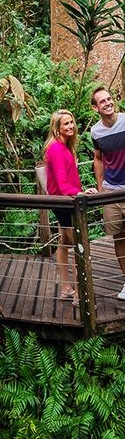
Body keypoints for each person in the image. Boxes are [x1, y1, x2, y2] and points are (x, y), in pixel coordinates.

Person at [44, 109, 94, 302]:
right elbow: (62, 182)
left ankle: (66, 289)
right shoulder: (56, 148)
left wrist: (80, 191)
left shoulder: (65, 146)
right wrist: (78, 193)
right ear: (57, 128)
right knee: (79, 246)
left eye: (72, 122)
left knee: (64, 245)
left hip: (66, 201)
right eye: (66, 123)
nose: (71, 126)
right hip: (64, 202)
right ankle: (81, 297)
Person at [90, 86, 125, 298]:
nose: (108, 103)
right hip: (111, 192)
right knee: (119, 239)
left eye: (109, 99)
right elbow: (98, 157)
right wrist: (101, 186)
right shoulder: (96, 131)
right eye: (102, 101)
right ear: (96, 108)